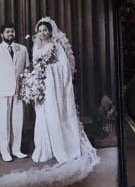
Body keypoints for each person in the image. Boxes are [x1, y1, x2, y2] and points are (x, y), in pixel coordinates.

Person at [26, 17, 100, 168]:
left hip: (54, 86)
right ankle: (46, 149)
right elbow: (34, 64)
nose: (42, 33)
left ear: (50, 32)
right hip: (41, 86)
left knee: (54, 113)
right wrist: (36, 77)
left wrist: (49, 68)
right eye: (40, 31)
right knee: (43, 115)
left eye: (45, 30)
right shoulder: (36, 47)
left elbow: (64, 66)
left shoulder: (56, 46)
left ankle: (62, 147)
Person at [0, 22, 29, 162]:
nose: (10, 34)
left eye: (12, 32)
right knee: (3, 123)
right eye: (7, 32)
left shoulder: (22, 49)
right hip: (1, 92)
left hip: (19, 91)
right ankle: (5, 151)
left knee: (18, 121)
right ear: (2, 35)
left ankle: (17, 149)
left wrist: (27, 89)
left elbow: (27, 69)